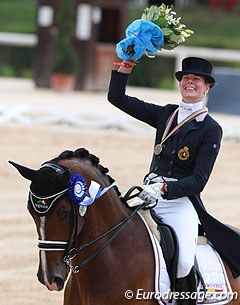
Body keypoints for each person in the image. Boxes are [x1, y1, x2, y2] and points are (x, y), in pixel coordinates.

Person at [107, 57, 240, 303]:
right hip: (147, 195)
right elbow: (118, 99)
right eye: (186, 78)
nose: (190, 83)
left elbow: (199, 180)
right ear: (180, 84)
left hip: (179, 202)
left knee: (184, 261)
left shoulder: (211, 129)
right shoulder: (165, 114)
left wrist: (165, 188)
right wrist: (123, 70)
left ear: (206, 87)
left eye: (196, 80)